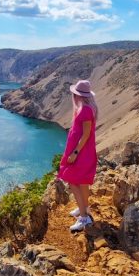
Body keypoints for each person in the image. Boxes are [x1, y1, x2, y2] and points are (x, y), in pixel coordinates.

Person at [57, 79, 99, 232]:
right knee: (82, 182)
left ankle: (84, 218)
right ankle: (84, 209)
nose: (73, 97)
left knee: (72, 181)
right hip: (81, 151)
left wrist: (74, 153)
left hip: (80, 152)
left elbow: (86, 134)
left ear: (79, 95)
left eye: (75, 94)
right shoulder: (84, 108)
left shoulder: (86, 110)